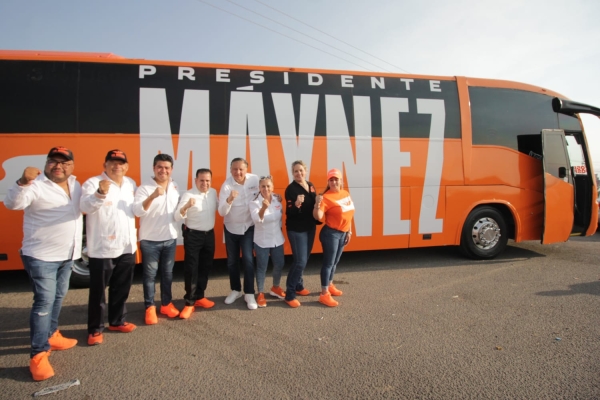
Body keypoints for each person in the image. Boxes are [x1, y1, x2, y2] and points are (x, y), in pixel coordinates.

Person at [4, 146, 82, 381]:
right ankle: (38, 354)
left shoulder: (76, 185)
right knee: (44, 302)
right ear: (46, 164)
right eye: (53, 162)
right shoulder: (35, 185)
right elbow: (13, 204)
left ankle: (52, 334)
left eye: (64, 162)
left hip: (68, 254)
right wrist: (22, 181)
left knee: (59, 296)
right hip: (41, 256)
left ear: (71, 166)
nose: (58, 166)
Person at [80, 149, 138, 346]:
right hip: (102, 247)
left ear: (126, 166)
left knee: (122, 287)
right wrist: (99, 193)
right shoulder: (92, 182)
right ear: (104, 165)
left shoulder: (130, 183)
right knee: (98, 291)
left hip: (126, 245)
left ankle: (117, 321)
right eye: (112, 162)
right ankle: (95, 329)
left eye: (121, 162)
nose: (117, 166)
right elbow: (84, 207)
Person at [133, 154, 181, 325]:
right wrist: (152, 196)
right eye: (160, 167)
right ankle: (150, 307)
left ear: (171, 169)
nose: (163, 170)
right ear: (154, 168)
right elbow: (138, 211)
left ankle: (166, 304)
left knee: (167, 274)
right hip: (150, 239)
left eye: (167, 167)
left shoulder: (174, 185)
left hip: (170, 237)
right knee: (150, 275)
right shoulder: (144, 188)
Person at [175, 168, 218, 319]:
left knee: (205, 267)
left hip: (209, 235)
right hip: (193, 236)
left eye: (207, 180)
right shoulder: (188, 194)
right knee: (191, 269)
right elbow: (176, 215)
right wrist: (186, 206)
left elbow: (221, 208)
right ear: (195, 180)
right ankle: (189, 303)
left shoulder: (213, 192)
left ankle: (200, 297)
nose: (205, 183)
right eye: (201, 180)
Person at [218, 158, 260, 310]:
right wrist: (229, 199)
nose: (238, 172)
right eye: (235, 169)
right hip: (231, 229)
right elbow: (222, 211)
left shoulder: (254, 179)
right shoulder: (226, 186)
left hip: (248, 227)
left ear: (246, 169)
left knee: (248, 260)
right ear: (230, 170)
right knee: (232, 261)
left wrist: (275, 197)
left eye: (241, 169)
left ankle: (249, 293)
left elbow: (265, 191)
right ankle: (235, 290)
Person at [313, 168, 355, 307]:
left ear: (341, 180)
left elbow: (349, 214)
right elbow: (318, 217)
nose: (334, 181)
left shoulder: (345, 193)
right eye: (331, 179)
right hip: (330, 234)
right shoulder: (326, 197)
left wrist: (349, 231)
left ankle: (330, 284)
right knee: (328, 263)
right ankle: (324, 294)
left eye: (336, 179)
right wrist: (317, 203)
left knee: (335, 261)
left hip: (343, 233)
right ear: (328, 181)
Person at [283, 160, 319, 308]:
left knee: (304, 258)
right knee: (300, 261)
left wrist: (319, 201)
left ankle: (298, 286)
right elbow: (289, 212)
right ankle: (290, 293)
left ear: (306, 170)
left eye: (301, 170)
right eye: (295, 171)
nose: (298, 173)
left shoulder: (310, 186)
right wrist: (297, 204)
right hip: (297, 229)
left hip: (310, 227)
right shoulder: (290, 189)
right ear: (292, 173)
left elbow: (313, 205)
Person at [249, 175, 285, 308]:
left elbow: (279, 218)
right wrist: (263, 208)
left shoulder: (277, 199)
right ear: (259, 188)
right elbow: (256, 220)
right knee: (261, 267)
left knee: (279, 264)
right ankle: (260, 293)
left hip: (277, 239)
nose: (265, 188)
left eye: (268, 186)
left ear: (272, 187)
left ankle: (276, 287)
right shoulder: (254, 202)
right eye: (263, 186)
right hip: (262, 240)